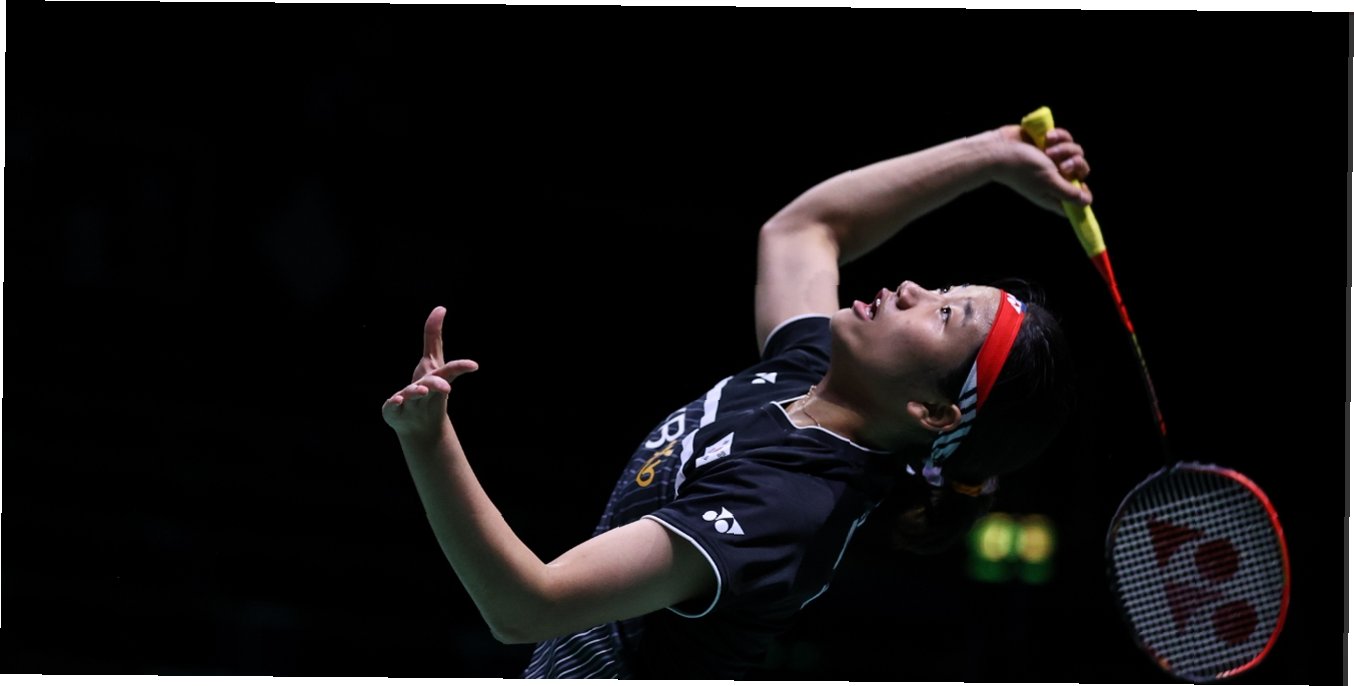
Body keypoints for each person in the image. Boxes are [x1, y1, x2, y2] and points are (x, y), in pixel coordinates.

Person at [380, 123, 1091, 678]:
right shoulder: (812, 372)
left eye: (945, 314)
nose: (913, 290)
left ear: (933, 413)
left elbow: (526, 606)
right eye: (943, 288)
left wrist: (428, 438)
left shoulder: (787, 508)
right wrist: (990, 154)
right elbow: (803, 229)